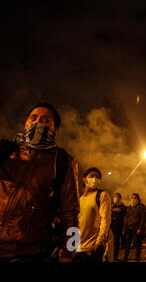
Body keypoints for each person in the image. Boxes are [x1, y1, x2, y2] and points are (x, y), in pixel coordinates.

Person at [0, 102, 80, 262]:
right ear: (26, 123)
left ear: (55, 129)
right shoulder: (6, 153)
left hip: (30, 253)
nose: (38, 122)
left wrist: (69, 253)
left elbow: (71, 213)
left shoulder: (62, 161)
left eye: (46, 120)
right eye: (33, 118)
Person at [74, 168, 112, 262]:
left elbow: (105, 220)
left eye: (98, 177)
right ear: (84, 179)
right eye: (92, 176)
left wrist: (100, 242)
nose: (95, 179)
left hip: (92, 247)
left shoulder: (102, 195)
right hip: (76, 248)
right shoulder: (79, 198)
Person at [123, 193, 146, 262]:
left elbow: (143, 218)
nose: (133, 199)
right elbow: (127, 218)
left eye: (135, 198)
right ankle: (125, 258)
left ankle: (137, 259)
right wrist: (125, 228)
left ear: (138, 199)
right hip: (129, 229)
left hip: (137, 229)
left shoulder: (141, 206)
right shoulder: (130, 207)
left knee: (137, 246)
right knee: (127, 245)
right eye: (132, 198)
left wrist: (140, 228)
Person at [111, 192, 127, 261]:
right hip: (111, 227)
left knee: (116, 243)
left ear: (120, 198)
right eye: (115, 197)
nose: (116, 198)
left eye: (117, 197)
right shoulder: (111, 205)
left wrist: (124, 228)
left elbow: (125, 218)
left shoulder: (122, 207)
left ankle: (115, 257)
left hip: (118, 227)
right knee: (109, 243)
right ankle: (107, 256)